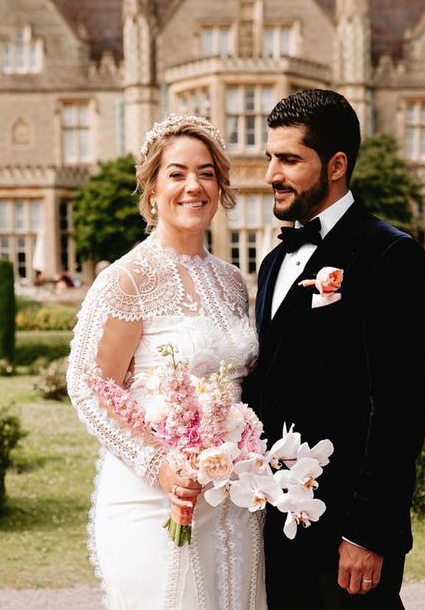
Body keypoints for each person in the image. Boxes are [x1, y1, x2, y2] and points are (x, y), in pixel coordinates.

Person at [243, 90, 425, 609]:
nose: (271, 175)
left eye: (288, 160)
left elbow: (401, 408)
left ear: (336, 165)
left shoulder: (391, 256)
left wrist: (368, 533)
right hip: (277, 524)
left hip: (349, 536)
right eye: (270, 158)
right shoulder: (272, 264)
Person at [66, 114, 266, 610]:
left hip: (233, 499)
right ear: (152, 189)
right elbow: (90, 386)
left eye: (206, 173)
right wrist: (158, 465)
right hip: (153, 498)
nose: (192, 186)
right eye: (176, 173)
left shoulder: (231, 281)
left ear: (220, 187)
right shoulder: (129, 278)